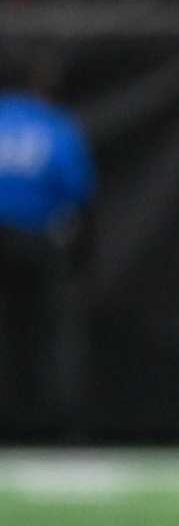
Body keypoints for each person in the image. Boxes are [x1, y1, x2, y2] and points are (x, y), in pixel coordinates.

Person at [0, 56, 94, 440]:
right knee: (50, 333)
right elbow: (78, 193)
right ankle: (58, 426)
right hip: (37, 242)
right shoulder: (54, 127)